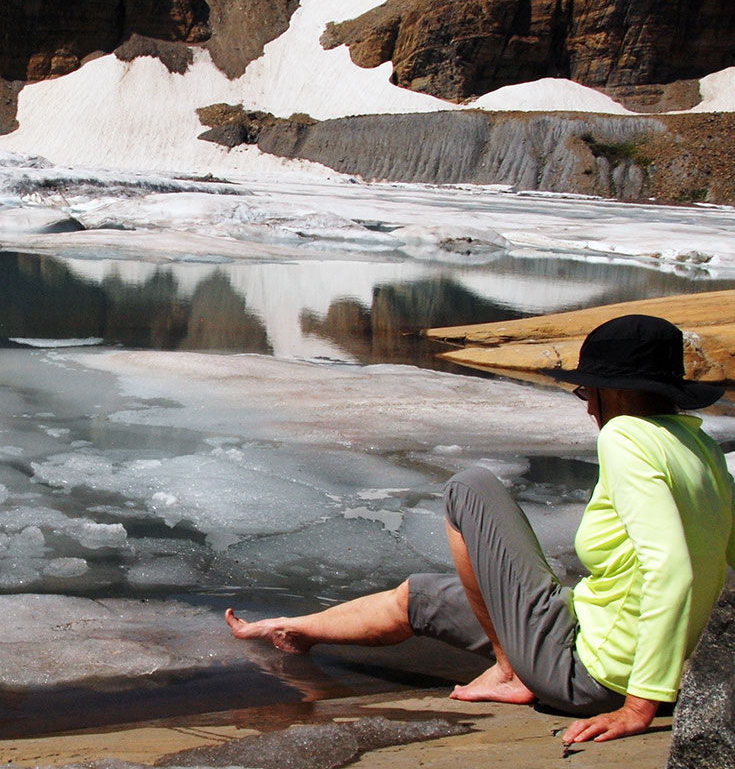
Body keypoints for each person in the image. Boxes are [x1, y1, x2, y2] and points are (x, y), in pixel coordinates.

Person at [226, 314, 735, 743]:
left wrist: (641, 705)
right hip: (591, 640)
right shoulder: (700, 446)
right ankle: (293, 632)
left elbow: (674, 570)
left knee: (469, 487)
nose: (586, 404)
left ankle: (509, 668)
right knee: (425, 598)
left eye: (588, 389)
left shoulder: (627, 434)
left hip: (586, 676)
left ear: (619, 391)